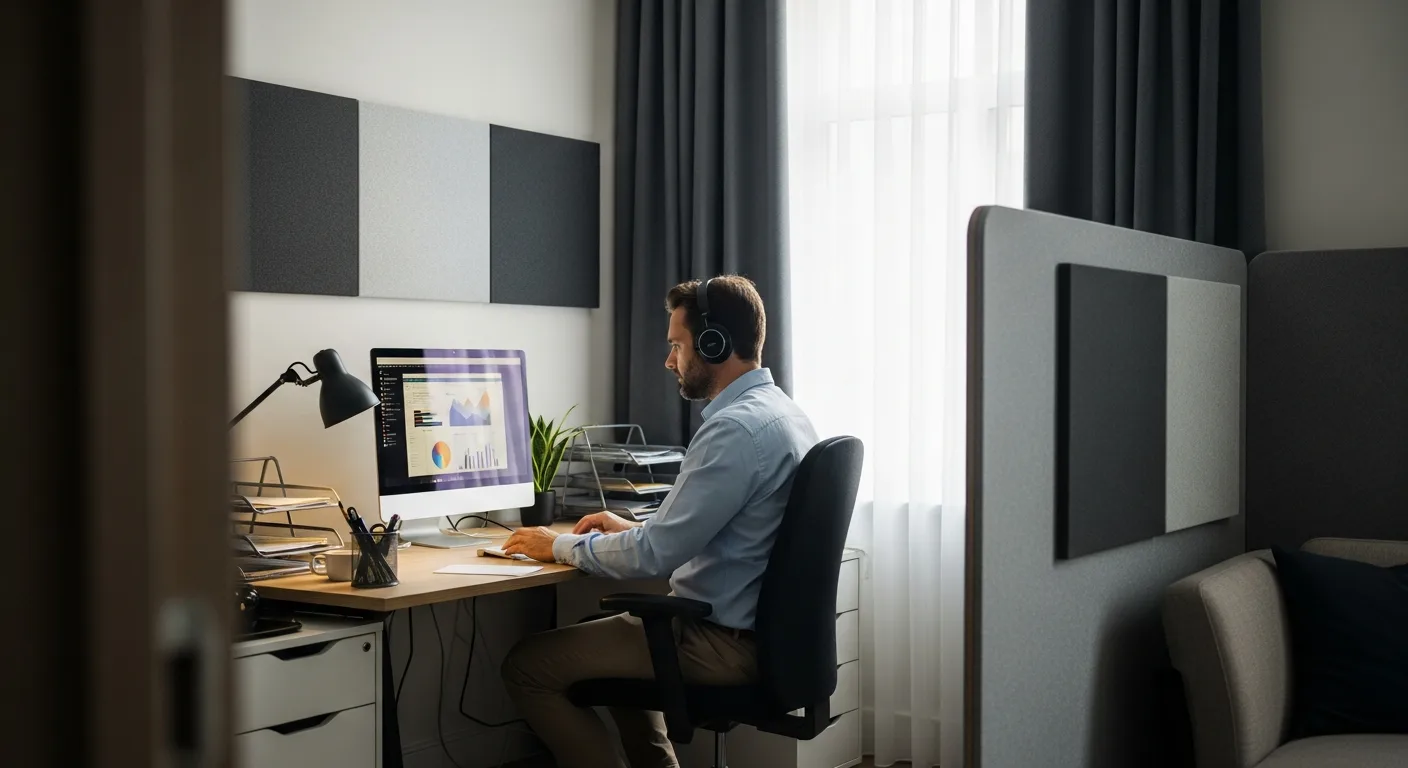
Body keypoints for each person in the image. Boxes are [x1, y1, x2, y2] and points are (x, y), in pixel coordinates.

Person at [499, 275, 819, 768]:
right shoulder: (784, 415)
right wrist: (629, 531)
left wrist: (556, 544)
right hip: (763, 637)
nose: (670, 360)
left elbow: (658, 554)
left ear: (714, 344)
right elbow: (716, 536)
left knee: (526, 665)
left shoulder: (733, 429)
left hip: (719, 643)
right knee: (606, 634)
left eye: (677, 345)